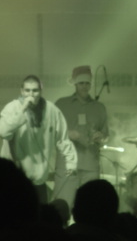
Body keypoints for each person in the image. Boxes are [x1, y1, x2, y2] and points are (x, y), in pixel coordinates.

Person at [0, 74, 77, 203]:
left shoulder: (51, 110)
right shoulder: (12, 107)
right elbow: (3, 132)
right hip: (14, 181)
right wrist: (23, 109)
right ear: (21, 91)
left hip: (39, 182)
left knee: (40, 214)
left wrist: (71, 162)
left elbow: (63, 138)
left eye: (35, 90)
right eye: (27, 90)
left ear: (41, 91)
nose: (31, 95)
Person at [53, 65, 109, 208]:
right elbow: (50, 130)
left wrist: (100, 137)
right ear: (75, 84)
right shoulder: (61, 104)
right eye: (81, 83)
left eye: (87, 83)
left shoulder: (99, 108)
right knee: (62, 206)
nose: (84, 86)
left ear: (91, 84)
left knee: (91, 208)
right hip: (67, 165)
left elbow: (106, 136)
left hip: (90, 165)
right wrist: (68, 133)